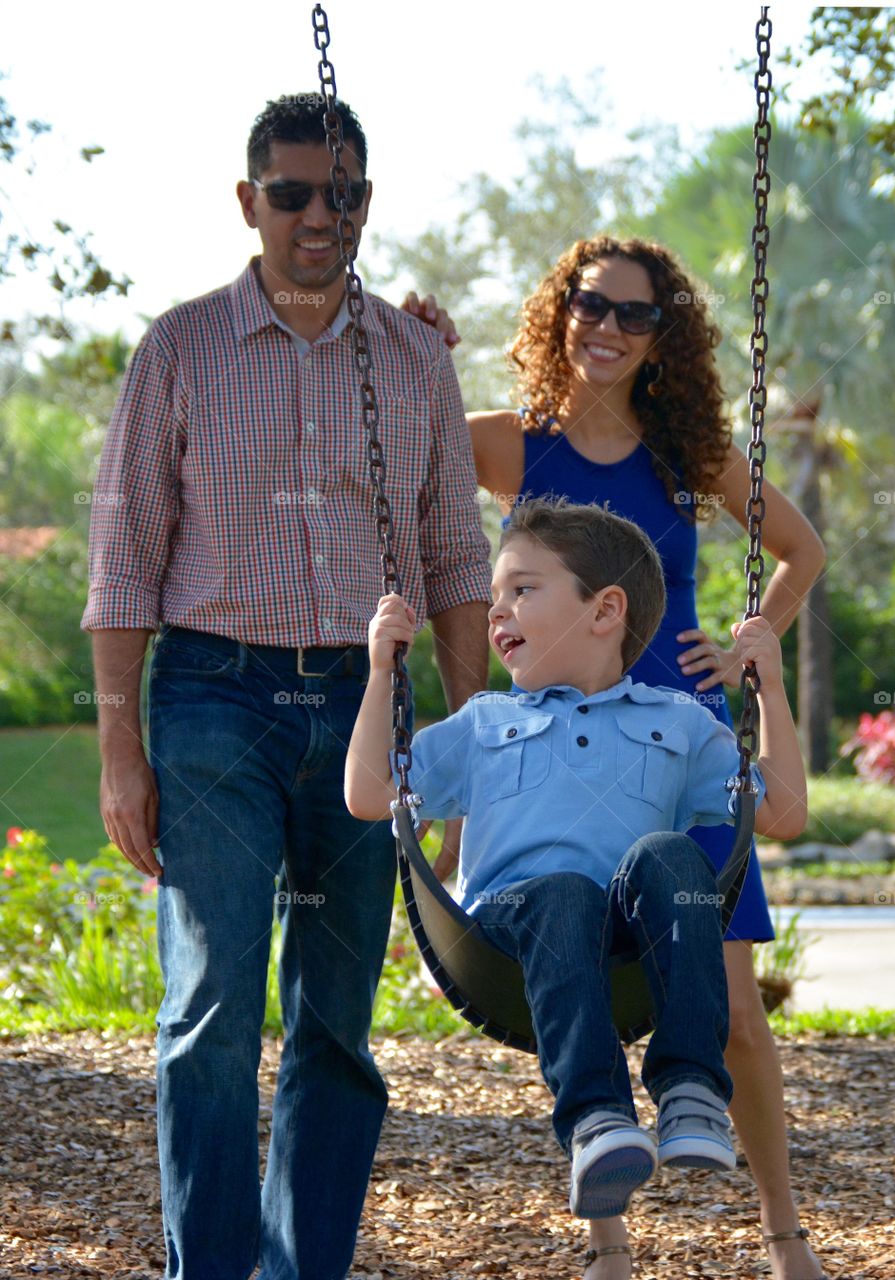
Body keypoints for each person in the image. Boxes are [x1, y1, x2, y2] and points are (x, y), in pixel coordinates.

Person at [81, 94, 492, 1280]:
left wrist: (461, 745)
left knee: (334, 1020)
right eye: (296, 192)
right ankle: (205, 1266)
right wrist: (120, 748)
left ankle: (302, 1265)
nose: (322, 215)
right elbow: (124, 563)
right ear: (248, 199)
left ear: (368, 199)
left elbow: (457, 558)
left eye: (346, 192)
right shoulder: (183, 348)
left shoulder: (413, 357)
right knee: (210, 1002)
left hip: (371, 706)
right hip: (217, 697)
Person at [405, 235, 828, 1280]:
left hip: (677, 734)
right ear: (560, 312)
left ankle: (781, 1230)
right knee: (578, 966)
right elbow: (394, 471)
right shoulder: (508, 443)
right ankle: (608, 1241)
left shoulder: (687, 453)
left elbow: (800, 549)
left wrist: (744, 644)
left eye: (633, 315)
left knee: (732, 1007)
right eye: (589, 305)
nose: (606, 327)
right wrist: (412, 356)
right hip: (558, 748)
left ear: (659, 337)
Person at [345, 499, 808, 1273]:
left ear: (606, 611)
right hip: (509, 941)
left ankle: (691, 1089)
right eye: (497, 595)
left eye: (522, 590)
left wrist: (771, 688)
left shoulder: (680, 722)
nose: (498, 611)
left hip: (628, 944)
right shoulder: (486, 722)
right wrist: (380, 671)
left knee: (672, 855)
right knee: (562, 890)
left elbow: (784, 812)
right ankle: (597, 1120)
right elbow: (370, 794)